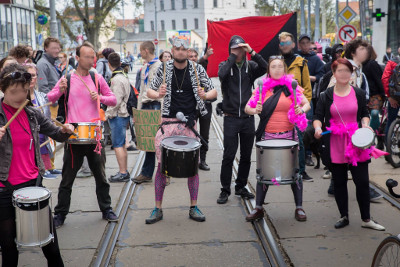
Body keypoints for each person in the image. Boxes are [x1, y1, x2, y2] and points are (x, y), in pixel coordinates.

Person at [0, 63, 75, 267]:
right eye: (14, 91)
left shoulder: (31, 113)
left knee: (51, 246)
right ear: (3, 89)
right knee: (8, 250)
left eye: (24, 90)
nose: (20, 96)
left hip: (33, 186)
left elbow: (56, 133)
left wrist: (66, 130)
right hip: (4, 190)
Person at [145, 37, 217, 224]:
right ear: (173, 49)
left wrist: (205, 94)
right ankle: (157, 208)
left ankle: (194, 207)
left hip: (189, 124)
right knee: (161, 167)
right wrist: (158, 94)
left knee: (192, 168)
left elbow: (213, 92)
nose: (180, 52)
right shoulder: (164, 68)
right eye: (177, 48)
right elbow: (149, 92)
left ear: (188, 51)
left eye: (184, 49)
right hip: (167, 123)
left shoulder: (197, 69)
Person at [47, 42, 118, 228]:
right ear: (77, 58)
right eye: (87, 56)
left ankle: (106, 209)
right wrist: (60, 90)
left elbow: (113, 99)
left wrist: (100, 97)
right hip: (73, 136)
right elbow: (50, 98)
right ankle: (60, 214)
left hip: (95, 136)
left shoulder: (97, 77)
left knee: (101, 177)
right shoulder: (68, 78)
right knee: (67, 180)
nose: (91, 60)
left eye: (93, 56)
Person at [313, 58, 385, 231]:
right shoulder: (326, 95)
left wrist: (366, 123)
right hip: (336, 142)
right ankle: (343, 216)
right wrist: (316, 128)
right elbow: (318, 117)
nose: (344, 74)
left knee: (362, 181)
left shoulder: (358, 93)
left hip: (356, 142)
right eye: (340, 71)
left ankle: (366, 219)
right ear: (334, 73)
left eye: (347, 70)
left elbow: (364, 113)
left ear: (351, 73)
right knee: (339, 182)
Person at [244, 56, 310, 222]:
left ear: (285, 70)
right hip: (267, 137)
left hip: (289, 135)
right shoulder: (261, 89)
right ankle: (258, 207)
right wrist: (255, 110)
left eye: (280, 66)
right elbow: (247, 108)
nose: (277, 69)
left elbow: (307, 103)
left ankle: (299, 207)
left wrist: (301, 110)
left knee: (295, 173)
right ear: (269, 70)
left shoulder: (293, 87)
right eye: (274, 66)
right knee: (264, 173)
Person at [217, 35, 268, 204]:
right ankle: (225, 190)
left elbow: (266, 67)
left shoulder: (250, 67)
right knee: (229, 155)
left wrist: (251, 51)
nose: (238, 51)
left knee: (246, 156)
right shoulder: (225, 65)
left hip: (247, 118)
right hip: (231, 118)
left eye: (240, 48)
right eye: (235, 48)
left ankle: (241, 186)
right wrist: (232, 56)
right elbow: (222, 75)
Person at [278, 32, 313, 182]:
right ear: (280, 46)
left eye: (287, 43)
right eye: (282, 44)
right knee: (281, 140)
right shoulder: (276, 63)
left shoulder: (301, 63)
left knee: (299, 140)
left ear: (293, 45)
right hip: (280, 108)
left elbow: (307, 88)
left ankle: (301, 170)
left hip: (297, 108)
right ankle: (284, 170)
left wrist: (305, 107)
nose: (285, 46)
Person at [132, 41, 163, 184]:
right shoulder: (145, 67)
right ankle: (147, 173)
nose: (140, 53)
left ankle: (164, 173)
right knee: (147, 142)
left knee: (159, 141)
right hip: (145, 105)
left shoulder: (159, 67)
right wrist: (139, 109)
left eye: (140, 50)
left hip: (155, 105)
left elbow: (161, 91)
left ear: (146, 50)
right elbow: (143, 89)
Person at [25, 63, 59, 179]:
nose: (31, 79)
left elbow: (47, 121)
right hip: (26, 144)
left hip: (41, 140)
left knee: (40, 178)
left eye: (34, 75)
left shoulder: (41, 96)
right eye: (28, 75)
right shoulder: (18, 98)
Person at [297, 34, 325, 167]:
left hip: (310, 97)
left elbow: (322, 75)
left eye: (307, 43)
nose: (305, 45)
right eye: (302, 43)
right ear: (298, 45)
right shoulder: (296, 58)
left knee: (307, 127)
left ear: (310, 44)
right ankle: (298, 153)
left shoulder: (315, 59)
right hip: (294, 97)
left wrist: (310, 77)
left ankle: (308, 154)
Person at [106, 52, 131, 182]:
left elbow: (114, 101)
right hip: (124, 114)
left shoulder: (116, 79)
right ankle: (124, 170)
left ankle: (122, 173)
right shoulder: (124, 76)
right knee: (121, 144)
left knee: (117, 145)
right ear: (119, 63)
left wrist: (107, 115)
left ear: (109, 64)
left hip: (118, 115)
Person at [188, 47, 214, 170]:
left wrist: (206, 96)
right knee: (189, 135)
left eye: (195, 56)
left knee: (204, 135)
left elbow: (212, 91)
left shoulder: (202, 70)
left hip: (205, 107)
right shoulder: (184, 71)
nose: (193, 58)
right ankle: (190, 160)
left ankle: (202, 160)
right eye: (190, 56)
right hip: (191, 109)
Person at [363, 45, 385, 149]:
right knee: (365, 118)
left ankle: (371, 137)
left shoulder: (372, 64)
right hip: (364, 95)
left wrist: (383, 94)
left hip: (375, 95)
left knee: (374, 114)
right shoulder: (359, 64)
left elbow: (379, 80)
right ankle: (377, 138)